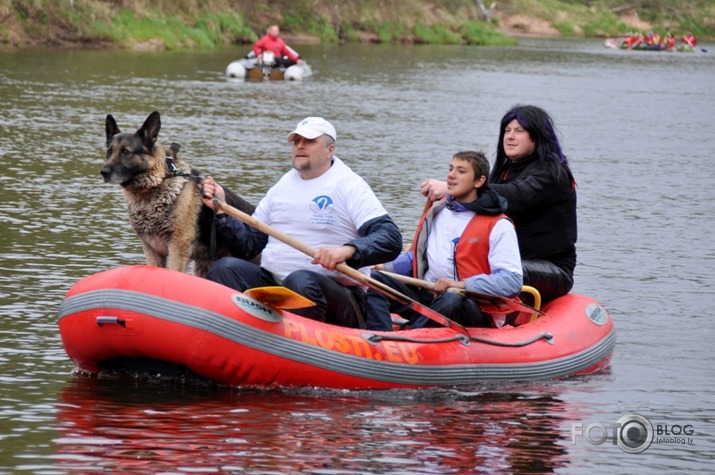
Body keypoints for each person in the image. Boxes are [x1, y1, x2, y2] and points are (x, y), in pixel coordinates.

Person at [200, 117, 402, 329]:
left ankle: (297, 348)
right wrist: (222, 211)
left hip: (333, 293)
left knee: (301, 281)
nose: (300, 146)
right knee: (224, 268)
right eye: (296, 141)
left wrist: (347, 251)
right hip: (274, 284)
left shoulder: (350, 186)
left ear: (329, 149)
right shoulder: (282, 186)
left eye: (309, 141)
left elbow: (390, 238)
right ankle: (235, 336)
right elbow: (249, 244)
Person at [420, 105, 577, 303]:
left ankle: (490, 320)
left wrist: (453, 187)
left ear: (536, 137)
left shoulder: (554, 174)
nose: (510, 136)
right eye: (507, 131)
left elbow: (518, 196)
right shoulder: (503, 171)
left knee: (492, 273)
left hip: (551, 268)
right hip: (501, 258)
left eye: (519, 131)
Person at [365, 151, 522, 330]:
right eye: (450, 168)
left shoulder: (499, 224)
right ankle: (380, 339)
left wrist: (461, 285)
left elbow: (511, 280)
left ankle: (414, 338)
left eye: (461, 171)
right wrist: (384, 267)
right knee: (374, 280)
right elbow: (419, 257)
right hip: (428, 298)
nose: (451, 175)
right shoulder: (437, 211)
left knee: (452, 298)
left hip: (470, 306)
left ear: (479, 181)